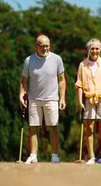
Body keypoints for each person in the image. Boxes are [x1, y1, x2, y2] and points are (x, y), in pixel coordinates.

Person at [19, 35, 66, 164]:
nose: (45, 48)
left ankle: (55, 156)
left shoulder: (57, 59)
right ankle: (33, 156)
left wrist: (62, 98)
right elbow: (24, 80)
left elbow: (62, 80)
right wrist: (21, 95)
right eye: (42, 46)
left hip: (52, 99)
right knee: (33, 128)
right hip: (34, 98)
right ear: (36, 46)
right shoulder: (29, 60)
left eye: (47, 46)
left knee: (53, 127)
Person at [76, 38, 101, 164]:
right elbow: (79, 85)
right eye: (92, 48)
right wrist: (79, 101)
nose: (94, 51)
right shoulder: (82, 65)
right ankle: (92, 157)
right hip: (89, 98)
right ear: (88, 50)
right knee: (89, 128)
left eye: (97, 48)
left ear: (100, 50)